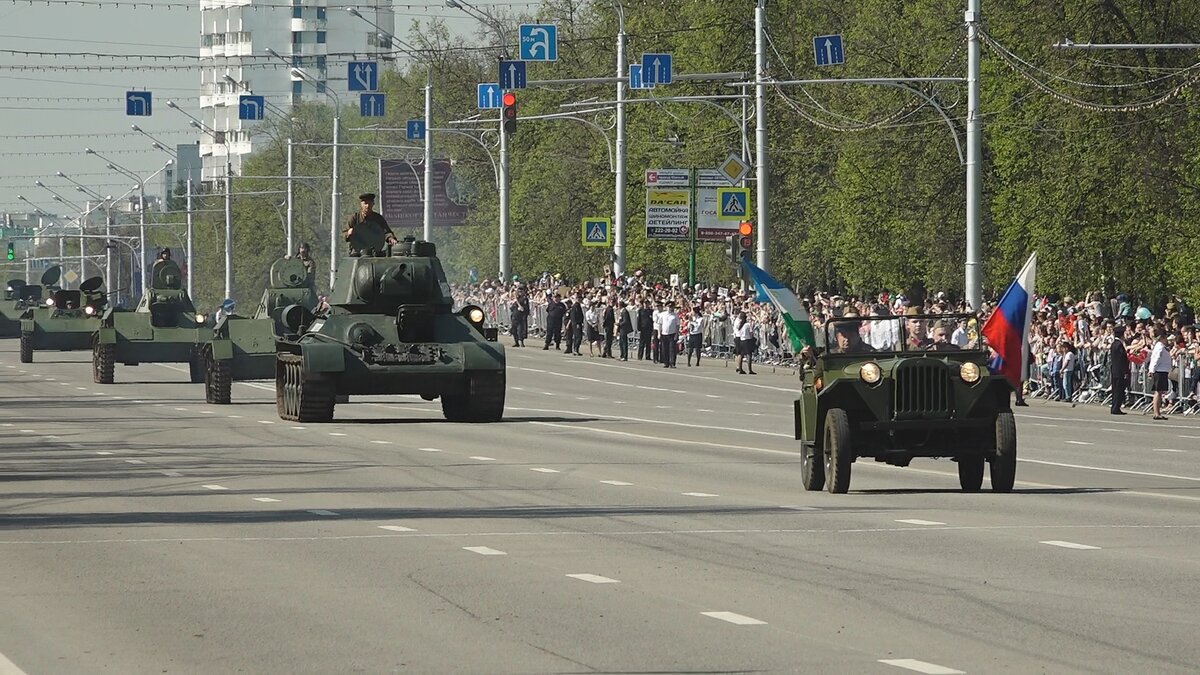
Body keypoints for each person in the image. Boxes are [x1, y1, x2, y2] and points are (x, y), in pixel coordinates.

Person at [1149, 327, 1172, 420]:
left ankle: (1157, 412)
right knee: (1158, 392)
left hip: (1162, 370)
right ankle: (1156, 412)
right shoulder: (1159, 346)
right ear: (1162, 337)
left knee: (1159, 392)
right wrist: (1152, 370)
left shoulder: (1162, 346)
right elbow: (1155, 359)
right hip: (1159, 371)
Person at [1109, 324, 1130, 415]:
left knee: (1116, 389)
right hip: (1119, 370)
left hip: (1115, 369)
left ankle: (1115, 406)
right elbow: (1122, 359)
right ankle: (1116, 407)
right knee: (1118, 389)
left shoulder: (1114, 344)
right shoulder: (1119, 345)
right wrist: (1125, 371)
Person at [734, 310, 757, 375]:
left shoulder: (740, 325)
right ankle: (750, 369)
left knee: (741, 354)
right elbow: (751, 332)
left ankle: (740, 369)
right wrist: (751, 337)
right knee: (749, 354)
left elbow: (739, 332)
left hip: (741, 340)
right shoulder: (747, 324)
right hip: (747, 340)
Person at [659, 301, 680, 368]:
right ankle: (666, 363)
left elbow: (677, 326)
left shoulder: (675, 315)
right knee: (665, 349)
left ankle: (672, 363)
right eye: (669, 307)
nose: (670, 308)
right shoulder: (662, 314)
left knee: (672, 349)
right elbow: (660, 324)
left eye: (671, 307)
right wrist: (659, 333)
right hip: (664, 333)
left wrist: (676, 334)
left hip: (672, 334)